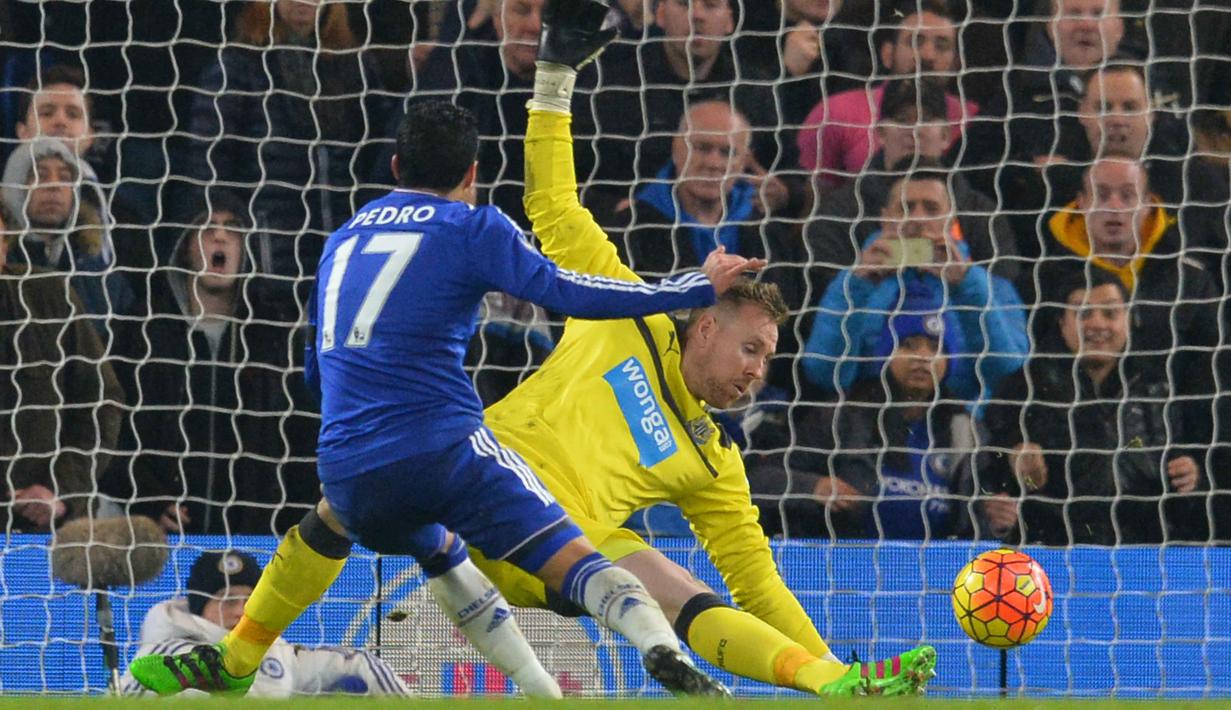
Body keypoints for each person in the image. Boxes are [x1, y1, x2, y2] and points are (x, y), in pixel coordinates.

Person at [128, 7, 742, 697]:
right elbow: (568, 290)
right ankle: (662, 649)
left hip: (349, 455)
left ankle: (240, 662)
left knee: (375, 533)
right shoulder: (473, 224)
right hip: (443, 448)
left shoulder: (344, 237)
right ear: (473, 171)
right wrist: (686, 287)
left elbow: (314, 365)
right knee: (572, 555)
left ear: (394, 165)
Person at [463, 5, 934, 697]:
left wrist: (833, 666)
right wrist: (556, 77)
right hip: (476, 489)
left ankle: (834, 685)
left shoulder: (710, 457)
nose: (754, 371)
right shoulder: (621, 313)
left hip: (566, 558)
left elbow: (758, 585)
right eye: (749, 347)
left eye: (766, 360)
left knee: (669, 582)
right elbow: (555, 207)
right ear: (705, 327)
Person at [100, 192, 320, 535]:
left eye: (232, 229)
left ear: (244, 249)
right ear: (185, 246)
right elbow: (112, 426)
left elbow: (302, 435)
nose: (220, 236)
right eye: (207, 227)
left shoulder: (274, 335)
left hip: (259, 533)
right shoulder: (143, 329)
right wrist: (147, 499)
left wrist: (291, 518)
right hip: (163, 533)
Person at [983, 271, 1210, 544]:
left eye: (1110, 313)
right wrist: (1014, 470)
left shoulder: (1161, 389)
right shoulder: (1023, 389)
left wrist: (1192, 478)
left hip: (1145, 554)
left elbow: (1186, 491)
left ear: (1128, 319)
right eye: (1083, 313)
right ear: (1062, 322)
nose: (1097, 323)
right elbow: (991, 476)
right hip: (1053, 551)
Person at [749, 298, 994, 540]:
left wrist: (997, 516)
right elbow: (759, 480)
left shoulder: (965, 430)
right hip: (845, 566)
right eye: (908, 345)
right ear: (886, 353)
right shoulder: (842, 416)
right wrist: (813, 486)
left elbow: (977, 517)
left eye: (935, 348)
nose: (923, 357)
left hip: (940, 571)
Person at [802, 168, 1029, 403]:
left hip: (957, 427)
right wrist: (857, 287)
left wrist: (967, 286)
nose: (918, 218)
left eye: (931, 209)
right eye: (906, 208)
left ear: (951, 220)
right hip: (868, 425)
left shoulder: (989, 287)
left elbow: (1007, 374)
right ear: (885, 217)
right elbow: (824, 373)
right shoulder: (852, 284)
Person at [121, 550, 409, 697]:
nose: (240, 612)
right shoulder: (165, 655)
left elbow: (359, 663)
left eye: (249, 601)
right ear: (199, 608)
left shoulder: (279, 652)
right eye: (227, 600)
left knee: (351, 688)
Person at [0, 200, 123, 531]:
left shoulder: (50, 295)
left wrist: (60, 488)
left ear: (6, 243)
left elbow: (101, 401)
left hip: (54, 527)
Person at [795, 0, 977, 191]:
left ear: (956, 63)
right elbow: (812, 206)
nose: (928, 55)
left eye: (942, 46)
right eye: (915, 41)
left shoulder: (974, 119)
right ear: (887, 54)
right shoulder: (835, 113)